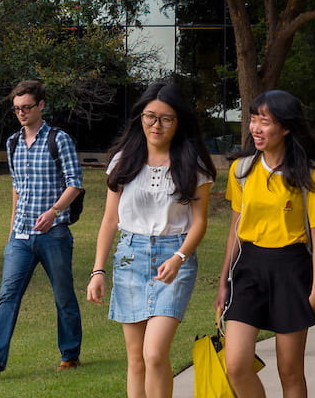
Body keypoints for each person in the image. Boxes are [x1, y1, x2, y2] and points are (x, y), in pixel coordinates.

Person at [84, 79, 217, 398]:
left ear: (178, 121)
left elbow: (199, 223)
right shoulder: (123, 161)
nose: (157, 125)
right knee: (136, 359)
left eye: (166, 118)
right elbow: (109, 220)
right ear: (139, 118)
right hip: (130, 257)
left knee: (155, 353)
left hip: (175, 259)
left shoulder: (193, 164)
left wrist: (179, 257)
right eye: (150, 116)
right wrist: (98, 270)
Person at [0, 80, 85, 379]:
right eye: (16, 109)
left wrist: (54, 212)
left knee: (63, 296)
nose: (21, 113)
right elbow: (17, 188)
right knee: (8, 295)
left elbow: (75, 184)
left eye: (27, 107)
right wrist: (11, 231)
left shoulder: (59, 139)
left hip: (54, 234)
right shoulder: (13, 142)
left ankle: (70, 355)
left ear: (41, 105)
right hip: (21, 235)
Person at [214, 90, 315, 398]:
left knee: (290, 370)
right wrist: (223, 282)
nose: (256, 128)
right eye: (253, 119)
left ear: (286, 127)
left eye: (265, 121)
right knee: (236, 364)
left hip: (292, 270)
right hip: (248, 268)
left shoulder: (309, 175)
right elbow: (236, 228)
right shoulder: (240, 170)